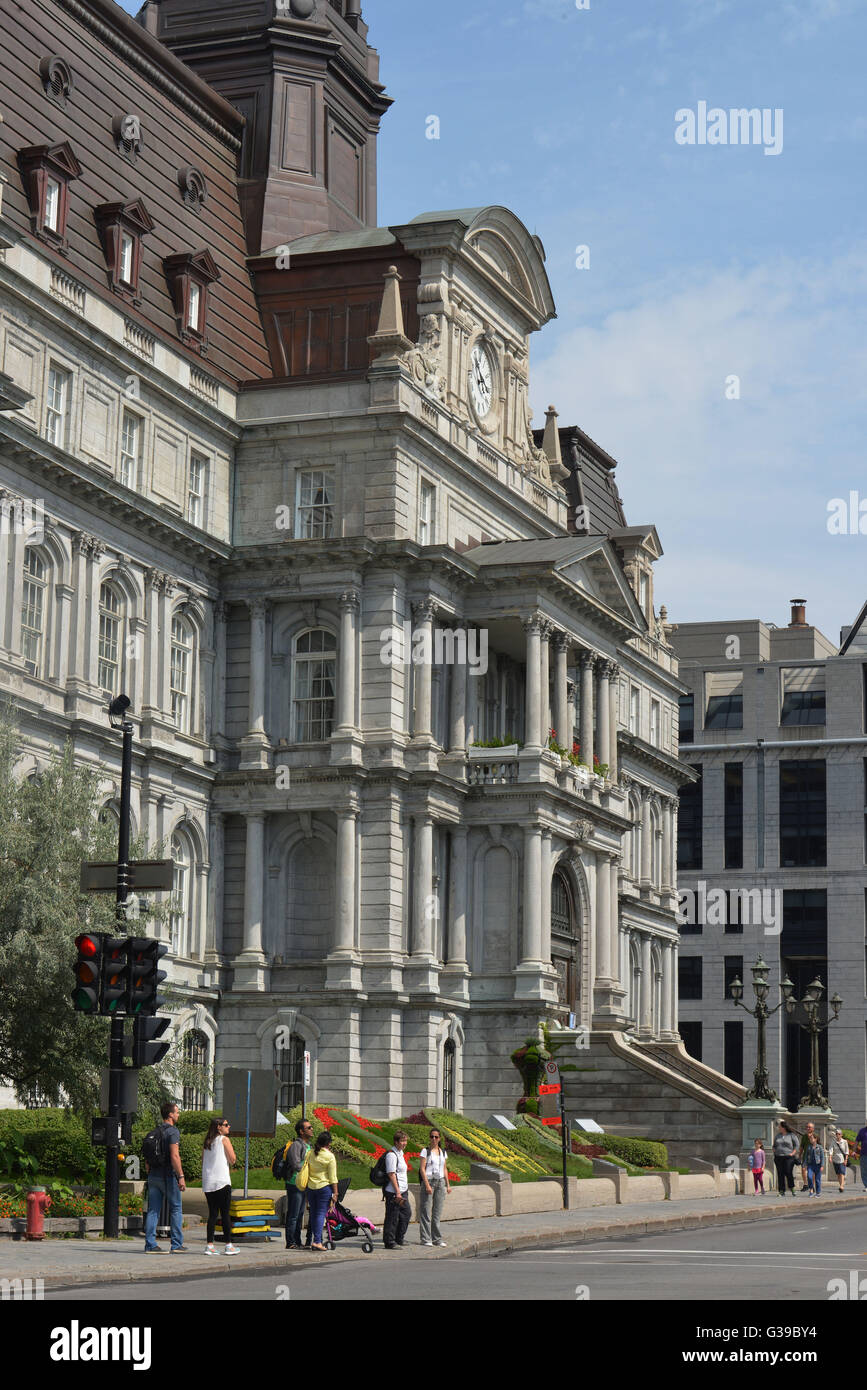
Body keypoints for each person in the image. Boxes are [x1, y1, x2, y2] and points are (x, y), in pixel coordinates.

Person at [143, 1100, 187, 1253]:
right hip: (168, 1176)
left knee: (153, 1210)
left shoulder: (155, 1131)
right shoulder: (173, 1132)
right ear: (170, 1115)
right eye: (177, 1112)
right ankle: (176, 1244)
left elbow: (147, 1159)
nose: (178, 1114)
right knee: (176, 1209)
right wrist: (180, 1176)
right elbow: (175, 1156)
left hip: (153, 1176)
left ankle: (150, 1244)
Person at [201, 1117, 239, 1256]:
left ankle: (209, 1245)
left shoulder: (207, 1142)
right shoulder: (224, 1140)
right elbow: (233, 1159)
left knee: (212, 1214)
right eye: (226, 1125)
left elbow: (203, 1161)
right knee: (225, 1214)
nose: (228, 1126)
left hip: (208, 1182)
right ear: (219, 1127)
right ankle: (229, 1245)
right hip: (222, 1181)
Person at [305, 1130, 339, 1252]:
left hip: (310, 1187)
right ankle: (317, 1241)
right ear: (329, 1143)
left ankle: (315, 1240)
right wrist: (335, 1193)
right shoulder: (330, 1156)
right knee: (320, 1215)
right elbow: (333, 1177)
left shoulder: (310, 1153)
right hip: (324, 1188)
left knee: (314, 1215)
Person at [283, 1117, 314, 1250]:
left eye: (311, 1127)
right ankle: (290, 1242)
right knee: (294, 1214)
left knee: (300, 1214)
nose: (312, 1129)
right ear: (301, 1131)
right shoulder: (297, 1145)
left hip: (303, 1184)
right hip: (294, 1183)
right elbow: (295, 1164)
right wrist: (307, 1167)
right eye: (309, 1128)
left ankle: (297, 1240)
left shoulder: (308, 1146)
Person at [418, 1127, 451, 1245]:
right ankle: (425, 1239)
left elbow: (444, 1168)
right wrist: (426, 1184)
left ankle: (437, 1239)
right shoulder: (425, 1151)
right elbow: (422, 1169)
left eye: (436, 1137)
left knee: (437, 1212)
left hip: (440, 1182)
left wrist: (448, 1185)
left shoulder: (442, 1152)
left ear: (439, 1139)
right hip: (429, 1181)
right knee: (426, 1211)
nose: (433, 1139)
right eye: (431, 1136)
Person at [383, 1130, 410, 1250]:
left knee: (406, 1214)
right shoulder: (391, 1155)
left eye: (405, 1141)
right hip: (394, 1192)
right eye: (402, 1141)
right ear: (396, 1142)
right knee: (392, 1216)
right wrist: (397, 1192)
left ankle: (399, 1238)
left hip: (403, 1190)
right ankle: (389, 1241)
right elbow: (391, 1174)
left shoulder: (401, 1153)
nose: (404, 1143)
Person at [772, 1121, 798, 1196]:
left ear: (784, 1127)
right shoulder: (778, 1136)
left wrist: (793, 1153)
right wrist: (774, 1149)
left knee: (788, 1172)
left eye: (780, 1127)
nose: (779, 1128)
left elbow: (796, 1145)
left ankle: (792, 1188)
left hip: (788, 1157)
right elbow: (774, 1145)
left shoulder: (791, 1135)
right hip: (778, 1157)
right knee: (780, 1174)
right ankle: (781, 1191)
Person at [798, 1121, 816, 1191]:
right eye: (807, 1127)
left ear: (813, 1128)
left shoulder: (815, 1136)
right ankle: (805, 1184)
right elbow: (801, 1146)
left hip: (813, 1156)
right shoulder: (804, 1136)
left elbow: (819, 1146)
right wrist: (799, 1155)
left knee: (812, 1171)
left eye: (809, 1127)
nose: (808, 1128)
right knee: (803, 1169)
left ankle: (812, 1185)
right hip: (805, 1155)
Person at [854, 1121, 867, 1191]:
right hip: (864, 1154)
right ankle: (866, 1186)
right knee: (864, 1171)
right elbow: (857, 1141)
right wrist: (854, 1151)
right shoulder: (862, 1131)